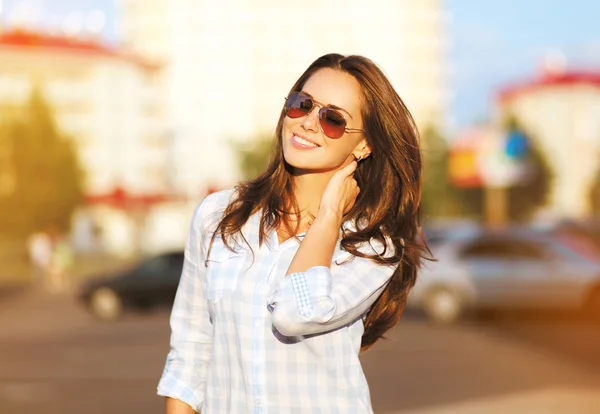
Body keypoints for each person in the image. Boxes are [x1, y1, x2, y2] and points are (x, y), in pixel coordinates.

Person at [157, 53, 428, 414]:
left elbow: (295, 313)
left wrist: (329, 216)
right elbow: (190, 353)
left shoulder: (371, 245)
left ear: (364, 145)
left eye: (333, 119)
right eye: (302, 105)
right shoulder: (218, 216)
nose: (309, 124)